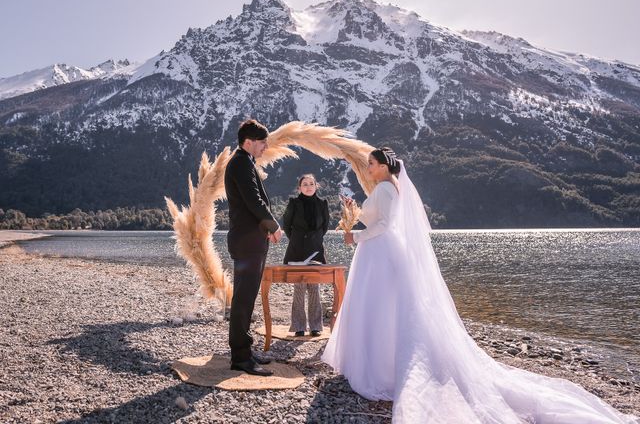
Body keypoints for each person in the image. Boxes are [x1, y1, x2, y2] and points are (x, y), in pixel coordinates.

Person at [322, 147, 637, 423]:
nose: (368, 168)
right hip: (378, 251)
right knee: (379, 305)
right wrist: (354, 214)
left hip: (381, 251)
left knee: (380, 306)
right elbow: (377, 219)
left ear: (385, 166)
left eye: (372, 164)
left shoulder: (387, 189)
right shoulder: (386, 188)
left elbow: (385, 225)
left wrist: (356, 235)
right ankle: (377, 360)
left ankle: (380, 367)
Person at [225, 119, 283, 376]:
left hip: (250, 239)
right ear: (248, 142)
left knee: (247, 298)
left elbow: (254, 201)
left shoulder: (244, 162)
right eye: (262, 143)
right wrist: (274, 226)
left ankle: (245, 350)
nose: (265, 147)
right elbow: (254, 201)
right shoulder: (240, 163)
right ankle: (240, 358)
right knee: (243, 299)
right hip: (247, 242)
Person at [282, 174, 330, 337]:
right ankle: (298, 326)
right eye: (305, 184)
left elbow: (325, 227)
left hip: (316, 249)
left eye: (311, 184)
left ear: (316, 186)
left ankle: (316, 326)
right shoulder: (293, 203)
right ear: (299, 188)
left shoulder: (323, 203)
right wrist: (297, 241)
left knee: (315, 287)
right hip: (297, 250)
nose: (308, 186)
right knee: (299, 288)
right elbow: (286, 226)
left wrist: (314, 240)